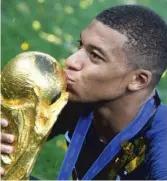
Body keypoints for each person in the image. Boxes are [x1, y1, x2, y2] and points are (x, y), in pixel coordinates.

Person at [1, 5, 167, 180]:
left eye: (95, 56)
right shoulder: (73, 100)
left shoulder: (161, 149)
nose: (71, 60)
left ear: (138, 80)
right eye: (81, 45)